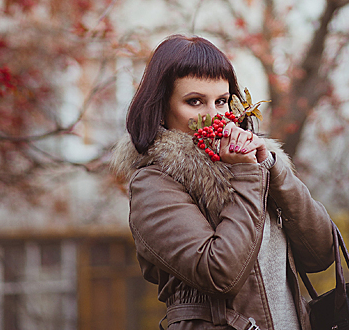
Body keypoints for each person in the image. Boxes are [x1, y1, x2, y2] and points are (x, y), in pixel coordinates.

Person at [111, 34, 334, 330]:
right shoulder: (154, 184)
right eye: (194, 101)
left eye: (221, 101)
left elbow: (322, 253)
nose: (215, 116)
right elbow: (220, 275)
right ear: (161, 109)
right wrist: (247, 175)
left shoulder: (253, 167)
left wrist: (273, 168)